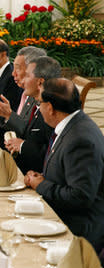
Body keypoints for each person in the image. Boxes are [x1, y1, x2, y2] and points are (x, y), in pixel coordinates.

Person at [25, 78, 104, 255]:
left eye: (39, 103)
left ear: (50, 108)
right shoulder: (72, 125)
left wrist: (41, 185)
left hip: (78, 231)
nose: (38, 108)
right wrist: (42, 179)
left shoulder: (80, 139)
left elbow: (80, 197)